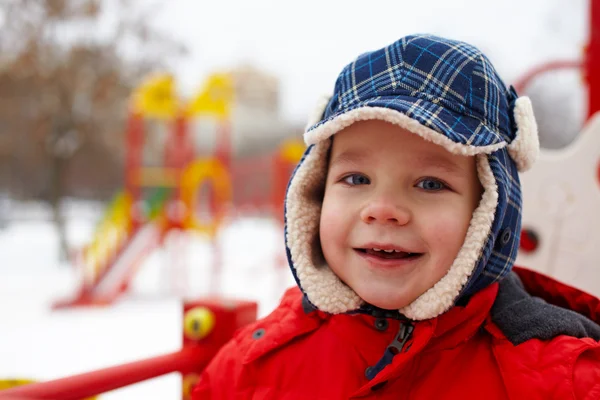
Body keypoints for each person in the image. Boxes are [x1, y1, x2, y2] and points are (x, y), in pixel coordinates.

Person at [192, 34, 600, 399]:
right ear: (314, 193)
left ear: (489, 215)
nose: (383, 209)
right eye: (356, 178)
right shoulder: (250, 369)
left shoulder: (563, 381)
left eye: (430, 184)